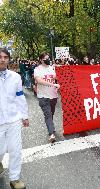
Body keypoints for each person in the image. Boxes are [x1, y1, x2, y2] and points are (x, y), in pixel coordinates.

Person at [0, 48, 29, 189]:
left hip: (13, 119)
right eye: (0, 57)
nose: (2, 59)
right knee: (0, 149)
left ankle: (14, 178)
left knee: (15, 149)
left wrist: (24, 116)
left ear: (8, 59)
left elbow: (20, 97)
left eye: (5, 57)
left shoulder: (15, 77)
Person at [34, 52, 60, 143]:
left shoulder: (52, 68)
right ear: (41, 60)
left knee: (51, 113)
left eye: (48, 58)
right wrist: (52, 84)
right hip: (43, 96)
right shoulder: (37, 69)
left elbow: (58, 77)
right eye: (46, 58)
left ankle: (51, 126)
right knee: (48, 114)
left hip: (53, 96)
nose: (48, 59)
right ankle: (51, 133)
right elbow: (39, 80)